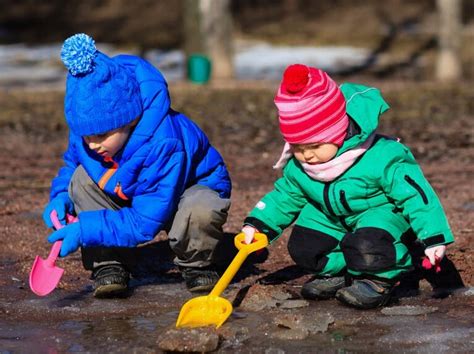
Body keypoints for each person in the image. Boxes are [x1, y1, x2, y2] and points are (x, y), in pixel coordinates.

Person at [241, 64, 453, 309]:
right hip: (332, 217)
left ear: (338, 132)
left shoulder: (381, 156)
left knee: (367, 245)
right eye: (298, 148)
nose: (307, 156)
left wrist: (433, 237)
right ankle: (340, 273)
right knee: (304, 246)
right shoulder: (299, 167)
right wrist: (257, 225)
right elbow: (284, 196)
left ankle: (379, 279)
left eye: (315, 146)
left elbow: (416, 196)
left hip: (380, 215)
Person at [43, 33, 231, 298]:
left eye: (101, 136)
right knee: (81, 179)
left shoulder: (163, 143)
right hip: (132, 189)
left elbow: (145, 221)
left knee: (199, 209)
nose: (92, 144)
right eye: (86, 136)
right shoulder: (90, 130)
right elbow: (73, 162)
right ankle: (109, 263)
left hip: (183, 191)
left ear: (130, 121)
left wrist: (86, 228)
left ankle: (196, 263)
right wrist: (62, 195)